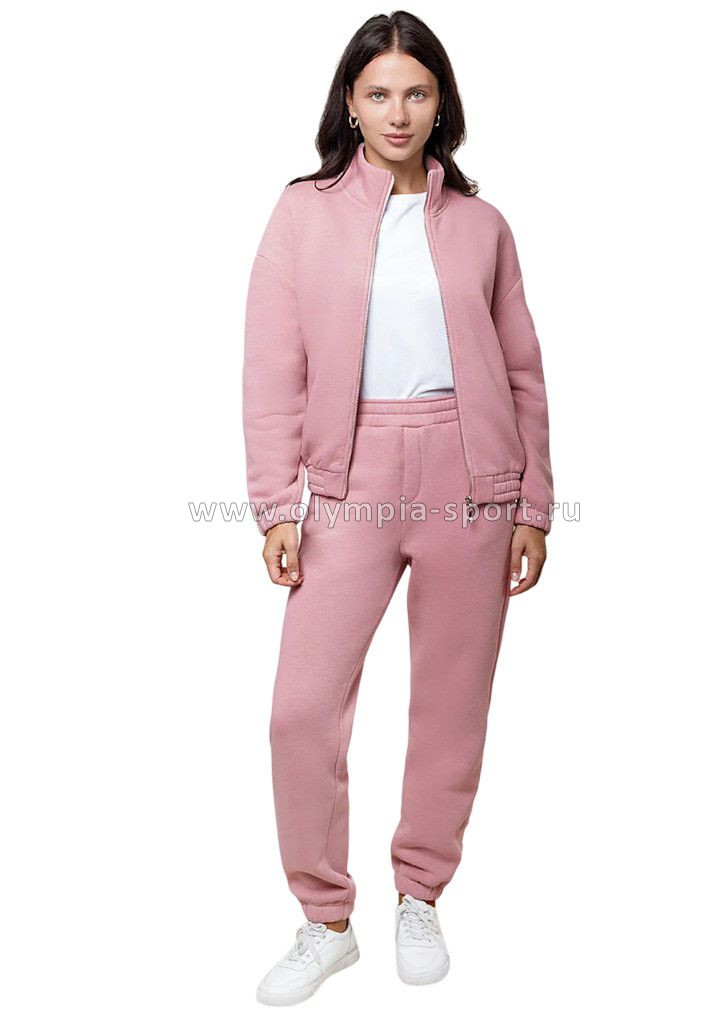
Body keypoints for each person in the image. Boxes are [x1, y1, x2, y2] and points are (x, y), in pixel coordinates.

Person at [242, 12, 554, 1006]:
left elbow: (522, 371)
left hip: (473, 475)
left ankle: (420, 893)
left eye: (416, 92)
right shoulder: (303, 214)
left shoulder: (483, 226)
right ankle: (325, 919)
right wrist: (274, 503)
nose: (397, 112)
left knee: (451, 703)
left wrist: (534, 504)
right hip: (349, 479)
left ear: (440, 103)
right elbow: (272, 368)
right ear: (350, 102)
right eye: (378, 93)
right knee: (300, 710)